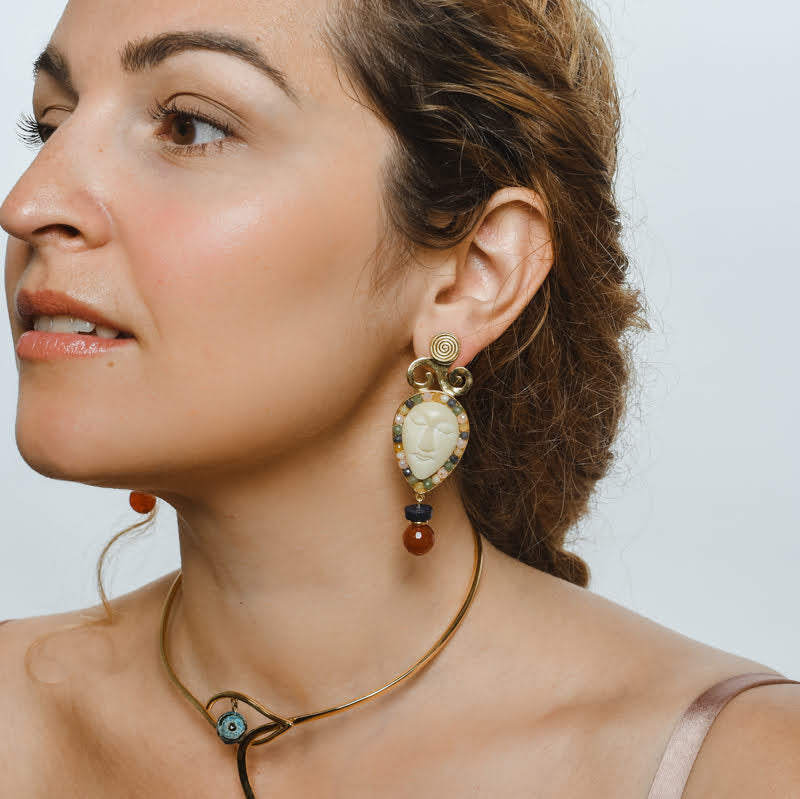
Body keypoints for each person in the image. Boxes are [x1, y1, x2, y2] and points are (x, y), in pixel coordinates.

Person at [1, 0, 798, 796]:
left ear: (474, 273)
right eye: (50, 123)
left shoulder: (736, 769)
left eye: (190, 127)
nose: (29, 204)